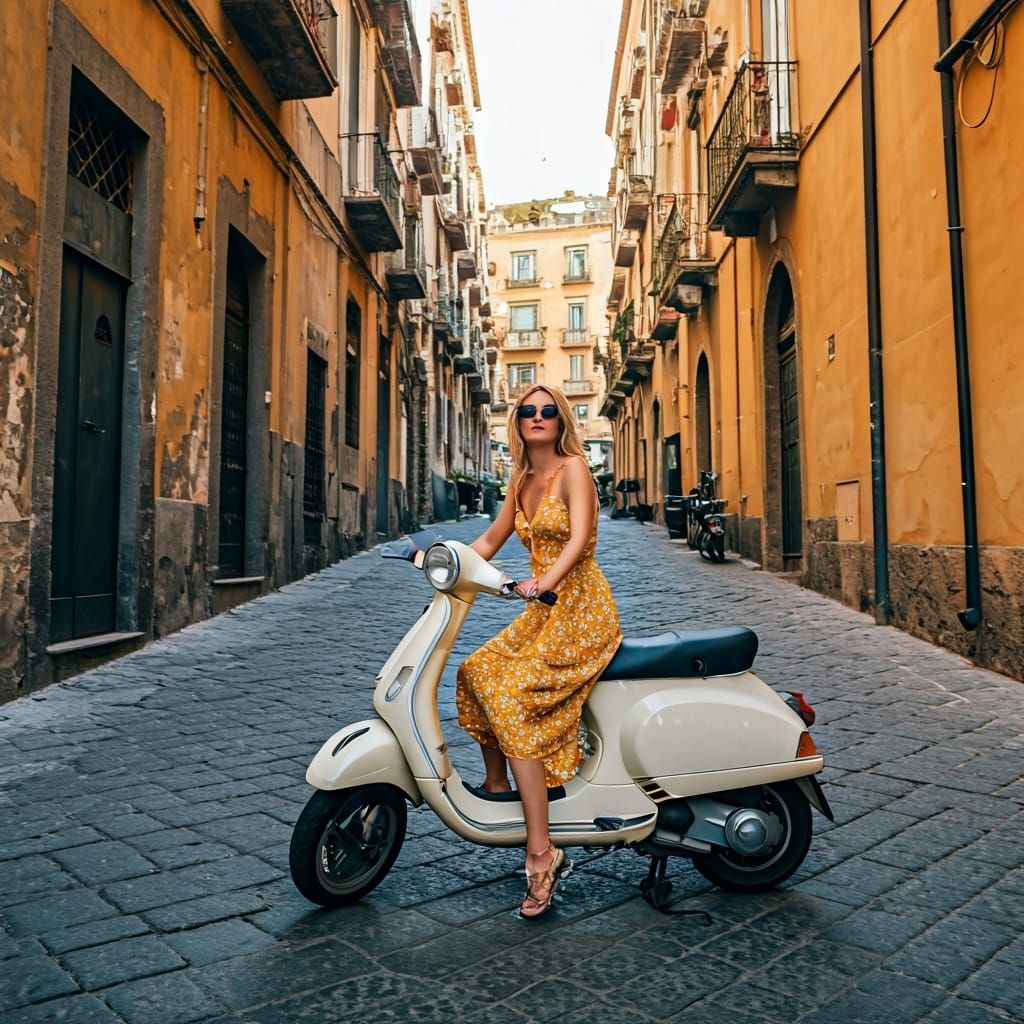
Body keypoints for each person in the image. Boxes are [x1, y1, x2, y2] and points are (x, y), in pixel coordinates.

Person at [455, 385, 622, 919]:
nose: (538, 417)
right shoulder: (520, 478)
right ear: (517, 422)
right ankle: (499, 783)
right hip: (544, 608)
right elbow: (492, 539)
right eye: (527, 411)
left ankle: (541, 851)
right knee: (475, 669)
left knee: (514, 698)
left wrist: (541, 579)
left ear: (562, 420)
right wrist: (445, 562)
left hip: (581, 609)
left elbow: (579, 541)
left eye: (548, 411)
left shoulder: (574, 469)